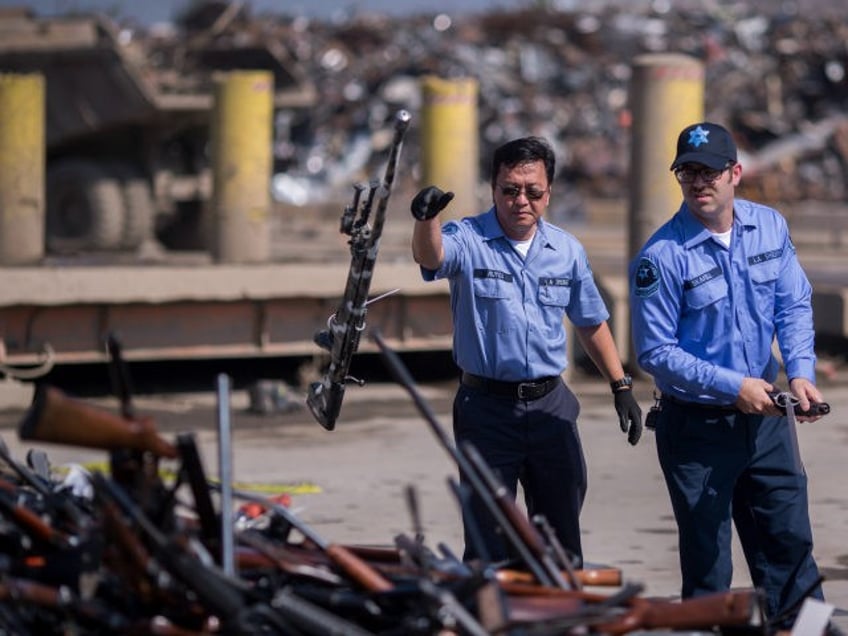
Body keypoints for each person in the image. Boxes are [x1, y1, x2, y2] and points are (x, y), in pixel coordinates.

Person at [629, 121, 832, 631]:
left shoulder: (769, 227)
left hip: (767, 421)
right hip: (697, 429)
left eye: (710, 171)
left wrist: (802, 373)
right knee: (707, 562)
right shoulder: (661, 257)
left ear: (735, 173)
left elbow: (793, 304)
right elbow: (655, 351)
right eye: (688, 172)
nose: (700, 182)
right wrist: (731, 385)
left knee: (789, 543)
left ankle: (805, 629)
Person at [410, 136, 642, 568]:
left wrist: (620, 385)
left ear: (549, 192)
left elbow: (590, 320)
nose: (521, 200)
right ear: (493, 188)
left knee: (559, 539)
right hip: (486, 410)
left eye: (533, 191)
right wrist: (427, 221)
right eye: (510, 190)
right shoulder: (468, 237)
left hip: (550, 407)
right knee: (488, 541)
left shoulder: (566, 250)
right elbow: (433, 256)